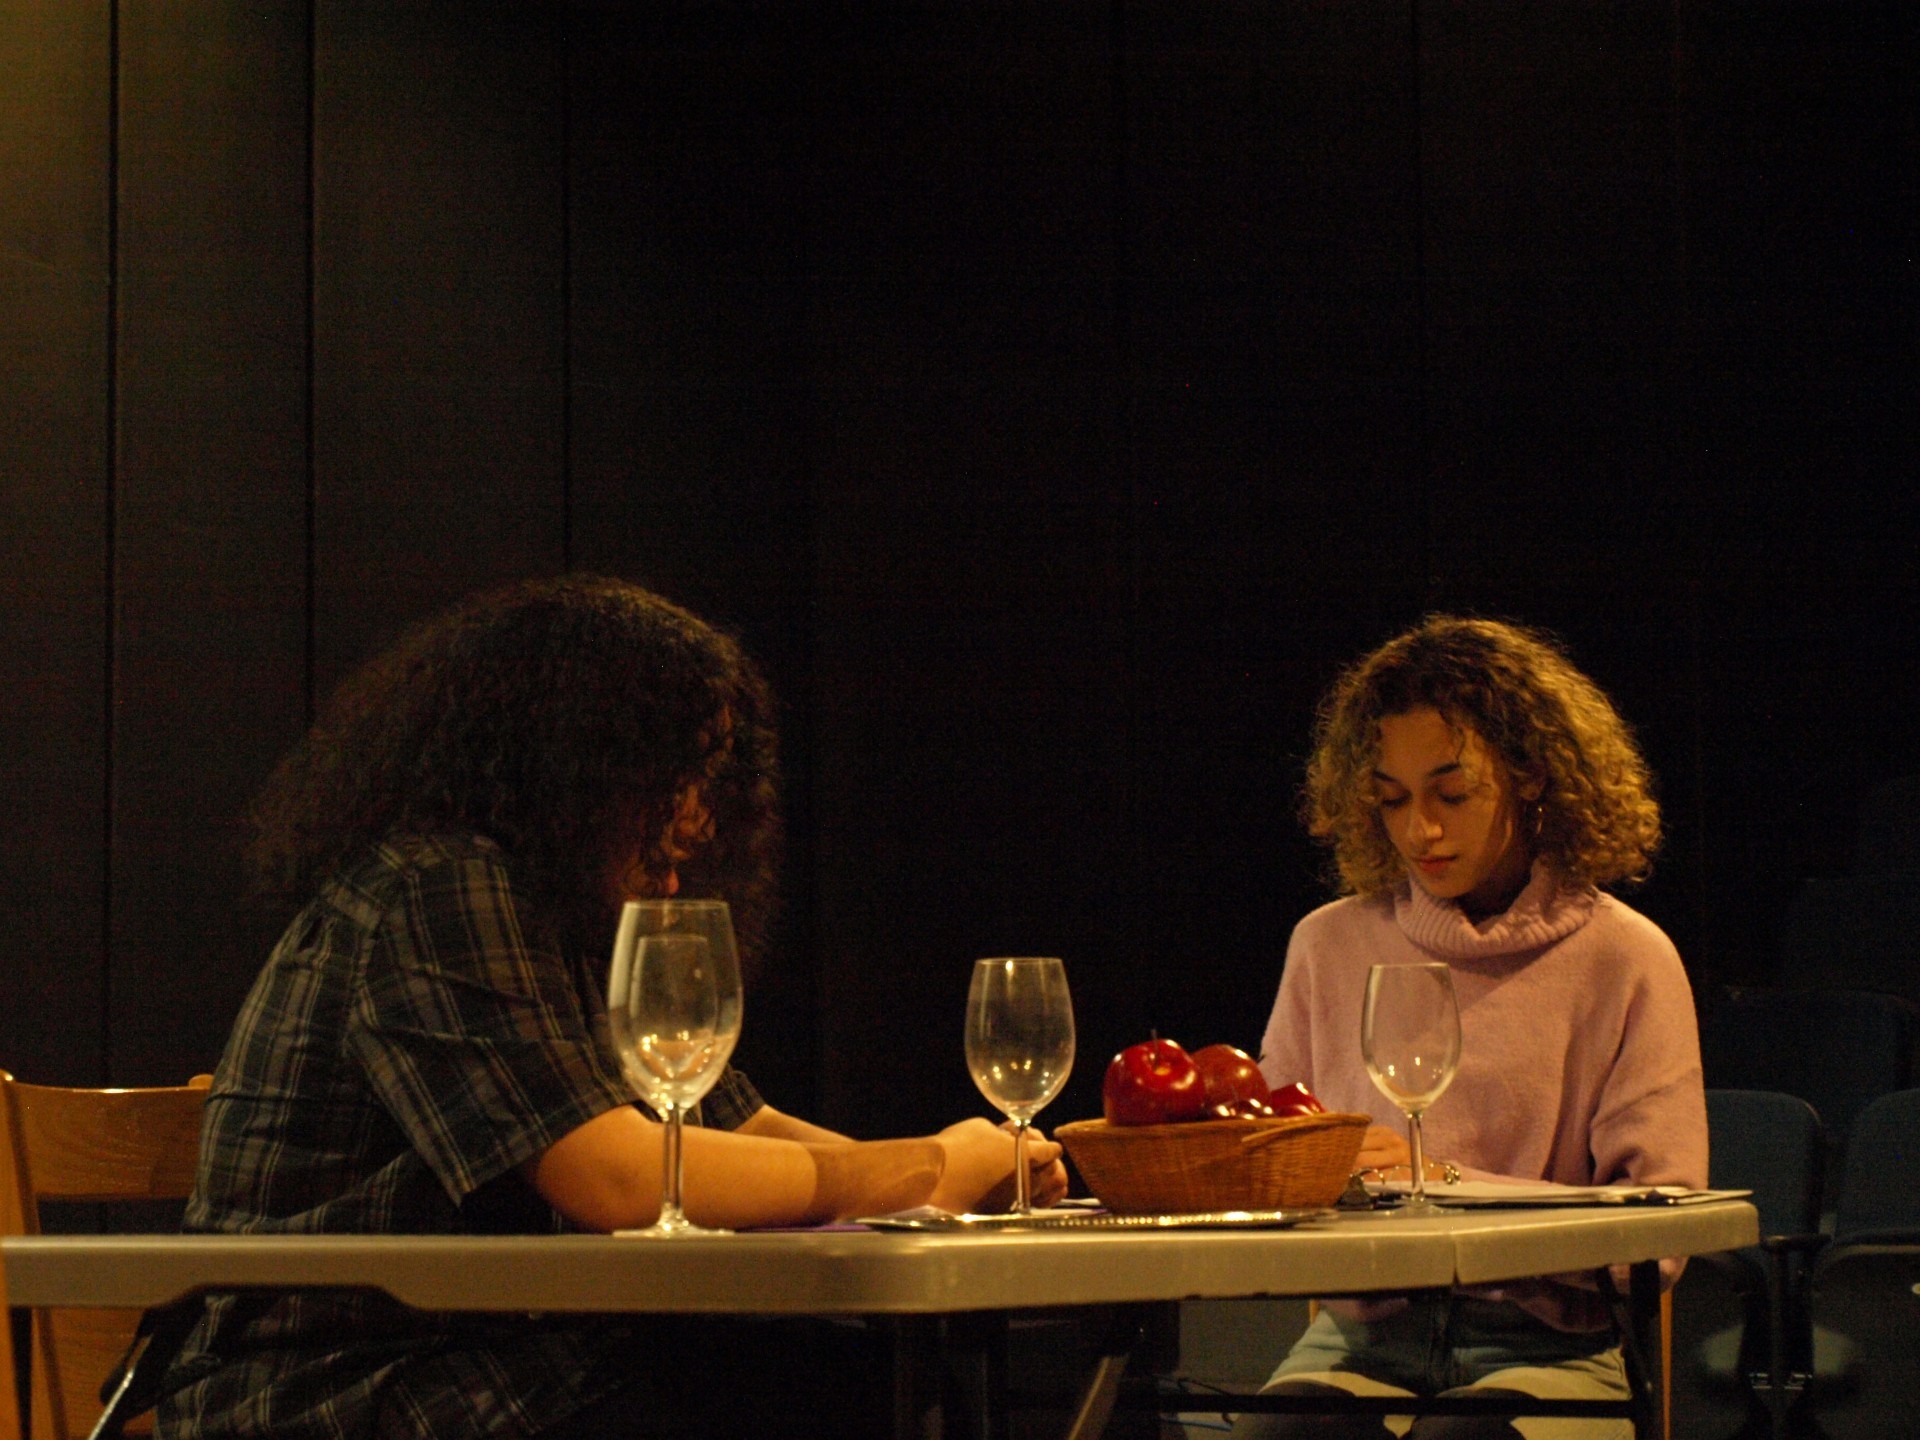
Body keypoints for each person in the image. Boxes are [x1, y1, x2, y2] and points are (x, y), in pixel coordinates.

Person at [154, 574, 1065, 1440]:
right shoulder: (437, 890)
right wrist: (927, 1170)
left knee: (871, 1376)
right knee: (844, 1395)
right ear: (579, 755)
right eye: (682, 765)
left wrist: (962, 1178)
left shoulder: (558, 913)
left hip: (493, 1359)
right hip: (348, 1392)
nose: (702, 812)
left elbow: (731, 1127)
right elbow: (626, 1177)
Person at [1237, 616, 1706, 1440]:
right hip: (1359, 1341)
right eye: (1392, 799)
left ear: (1530, 775)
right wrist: (1319, 1167)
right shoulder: (1329, 945)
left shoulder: (1626, 958)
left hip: (1552, 1348)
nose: (1420, 829)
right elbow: (1269, 1166)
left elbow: (1658, 1234)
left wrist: (1445, 1185)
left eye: (1452, 794)